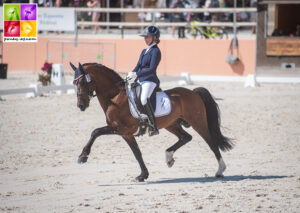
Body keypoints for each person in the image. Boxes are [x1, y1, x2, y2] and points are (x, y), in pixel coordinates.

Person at [127, 26, 161, 136]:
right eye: (144, 37)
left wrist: (137, 74)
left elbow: (151, 69)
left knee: (143, 99)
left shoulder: (156, 51)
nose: (145, 39)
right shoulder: (144, 51)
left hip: (150, 80)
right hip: (140, 79)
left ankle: (153, 126)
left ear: (155, 37)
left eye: (148, 36)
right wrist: (131, 73)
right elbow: (138, 65)